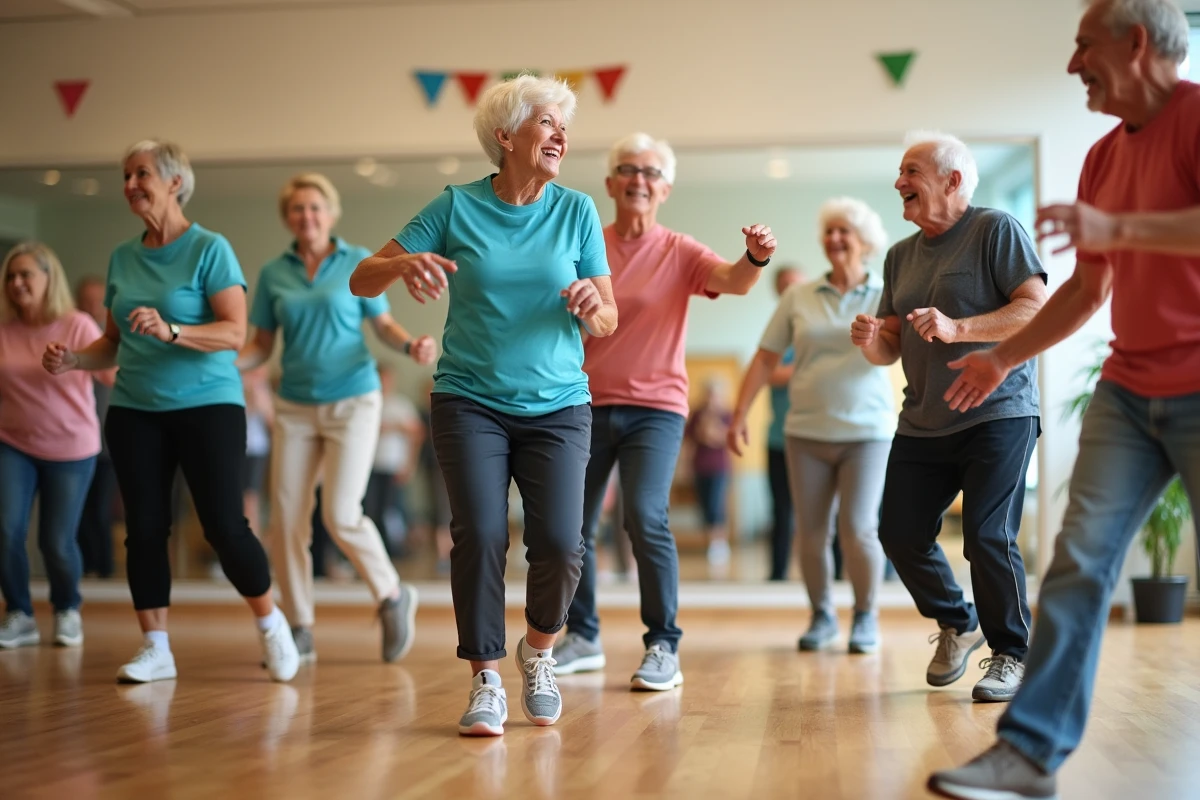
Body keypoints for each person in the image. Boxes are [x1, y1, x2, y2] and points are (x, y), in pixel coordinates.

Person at [929, 2, 1199, 797]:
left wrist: (1117, 225)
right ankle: (1030, 754)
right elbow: (1087, 288)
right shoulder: (1101, 158)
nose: (1073, 63)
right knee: (1076, 563)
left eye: (1086, 45)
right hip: (1128, 388)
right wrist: (999, 359)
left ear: (1137, 42)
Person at [350, 74, 618, 736]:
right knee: (482, 534)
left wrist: (593, 306)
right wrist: (401, 266)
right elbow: (360, 277)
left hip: (558, 403)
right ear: (506, 136)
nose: (561, 134)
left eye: (565, 125)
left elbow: (608, 318)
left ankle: (540, 652)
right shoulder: (454, 206)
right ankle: (486, 678)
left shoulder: (577, 210)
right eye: (548, 122)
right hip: (469, 399)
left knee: (560, 541)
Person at [43, 139, 299, 683]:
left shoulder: (210, 248)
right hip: (136, 409)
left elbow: (234, 333)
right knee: (144, 528)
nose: (131, 185)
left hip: (208, 406)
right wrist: (73, 360)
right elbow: (112, 343)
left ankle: (271, 623)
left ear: (175, 183)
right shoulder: (123, 256)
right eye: (126, 176)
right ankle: (155, 646)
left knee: (225, 526)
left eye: (142, 175)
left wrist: (174, 330)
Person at [552, 131, 775, 688]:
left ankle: (663, 645)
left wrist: (755, 257)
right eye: (628, 169)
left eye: (650, 172)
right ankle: (583, 635)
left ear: (665, 187)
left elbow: (732, 280)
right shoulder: (585, 243)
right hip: (584, 403)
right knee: (570, 526)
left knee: (644, 516)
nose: (638, 180)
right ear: (610, 183)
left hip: (656, 407)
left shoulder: (678, 250)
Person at [850, 131, 1049, 703]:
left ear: (952, 180)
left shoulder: (995, 230)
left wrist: (961, 328)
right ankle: (958, 622)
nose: (898, 183)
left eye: (910, 171)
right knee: (899, 532)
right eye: (900, 172)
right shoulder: (898, 256)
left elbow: (1034, 308)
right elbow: (888, 347)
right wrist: (871, 340)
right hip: (923, 419)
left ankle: (1011, 653)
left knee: (988, 534)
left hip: (999, 413)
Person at [237, 172, 434, 664]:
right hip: (296, 406)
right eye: (298, 208)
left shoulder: (356, 262)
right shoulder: (274, 274)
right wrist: (220, 360)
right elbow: (260, 345)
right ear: (288, 217)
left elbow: (382, 323)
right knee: (286, 521)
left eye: (315, 207)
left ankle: (391, 595)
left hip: (353, 400)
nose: (307, 216)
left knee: (341, 513)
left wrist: (410, 345)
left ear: (331, 214)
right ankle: (299, 626)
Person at [729, 198, 896, 653]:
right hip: (804, 431)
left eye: (845, 231)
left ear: (864, 241)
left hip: (867, 432)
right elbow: (765, 358)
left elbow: (900, 353)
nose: (835, 239)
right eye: (829, 231)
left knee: (859, 527)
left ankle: (865, 616)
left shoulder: (886, 292)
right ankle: (822, 614)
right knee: (811, 530)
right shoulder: (798, 297)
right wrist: (740, 412)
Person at [0, 243, 102, 649]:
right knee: (6, 531)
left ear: (49, 278)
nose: (17, 283)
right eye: (10, 276)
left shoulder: (77, 325)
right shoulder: (5, 331)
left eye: (26, 274)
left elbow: (112, 371)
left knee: (56, 541)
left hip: (71, 449)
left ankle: (66, 608)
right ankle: (19, 613)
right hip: (12, 443)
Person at [74, 275, 119, 579]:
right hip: (74, 443)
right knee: (76, 516)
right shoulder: (69, 342)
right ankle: (83, 571)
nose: (92, 309)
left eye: (97, 302)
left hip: (109, 445)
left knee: (101, 514)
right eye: (86, 302)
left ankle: (104, 575)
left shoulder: (118, 346)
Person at [765, 266, 806, 581]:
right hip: (779, 439)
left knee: (824, 514)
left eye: (795, 284)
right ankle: (778, 575)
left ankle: (832, 578)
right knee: (782, 512)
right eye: (784, 286)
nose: (790, 291)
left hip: (817, 437)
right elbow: (769, 374)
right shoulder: (775, 331)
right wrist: (809, 369)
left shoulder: (815, 326)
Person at [365, 364, 425, 556]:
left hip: (393, 466)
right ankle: (374, 550)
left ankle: (395, 550)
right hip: (370, 467)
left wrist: (409, 465)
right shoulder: (367, 402)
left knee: (392, 511)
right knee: (370, 511)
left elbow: (417, 435)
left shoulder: (401, 405)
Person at [686, 378, 735, 568]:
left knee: (716, 505)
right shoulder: (697, 414)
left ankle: (719, 543)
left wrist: (711, 431)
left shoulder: (727, 415)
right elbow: (690, 438)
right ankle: (709, 542)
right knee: (704, 506)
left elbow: (723, 438)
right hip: (700, 467)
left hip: (719, 468)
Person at [242, 364, 273, 539]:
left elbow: (272, 422)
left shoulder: (263, 389)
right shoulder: (236, 383)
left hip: (255, 450)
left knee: (251, 502)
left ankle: (254, 549)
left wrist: (259, 402)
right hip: (236, 449)